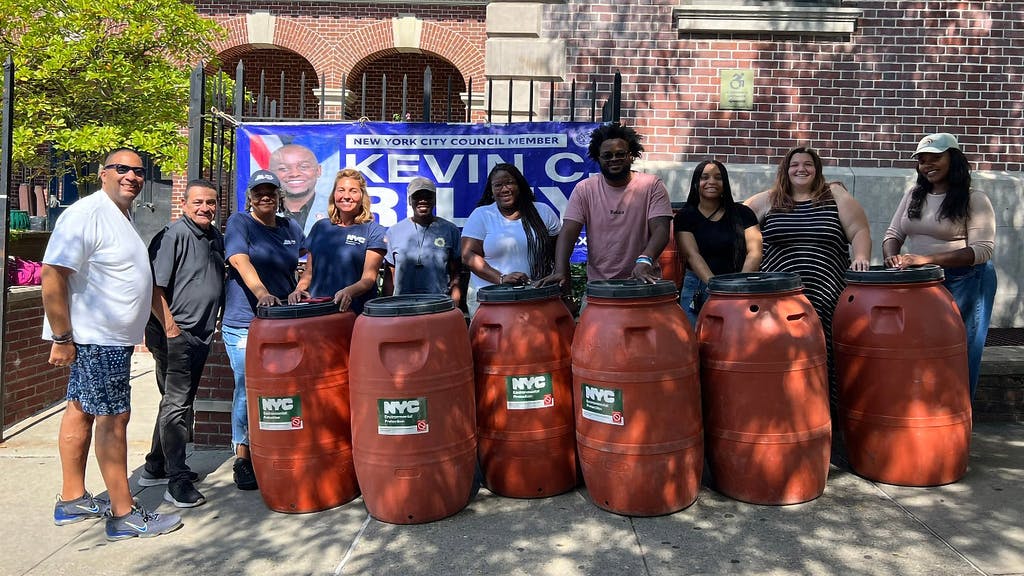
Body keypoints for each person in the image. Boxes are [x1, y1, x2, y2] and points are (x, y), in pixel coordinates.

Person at [43, 148, 182, 539]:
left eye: (139, 172)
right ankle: (124, 514)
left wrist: (165, 322)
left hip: (107, 339)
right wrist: (62, 337)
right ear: (102, 173)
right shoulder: (86, 213)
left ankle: (72, 500)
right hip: (97, 338)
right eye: (122, 169)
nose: (132, 177)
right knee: (113, 418)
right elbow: (53, 273)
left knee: (81, 410)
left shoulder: (118, 215)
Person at [745, 146, 871, 429]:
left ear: (817, 169)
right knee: (784, 351)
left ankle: (828, 418)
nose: (801, 169)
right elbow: (735, 218)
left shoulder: (835, 195)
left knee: (827, 351)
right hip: (780, 298)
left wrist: (862, 256)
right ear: (785, 170)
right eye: (794, 165)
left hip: (827, 291)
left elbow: (859, 230)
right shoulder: (769, 200)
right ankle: (785, 412)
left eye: (808, 164)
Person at [883, 133, 997, 401]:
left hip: (966, 280)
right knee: (923, 349)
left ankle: (957, 416)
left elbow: (981, 251)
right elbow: (892, 234)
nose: (927, 165)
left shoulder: (974, 199)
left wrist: (923, 259)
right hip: (920, 282)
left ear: (953, 159)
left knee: (960, 351)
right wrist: (892, 258)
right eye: (922, 160)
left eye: (935, 158)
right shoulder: (914, 195)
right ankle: (928, 414)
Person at [139, 179, 225, 508]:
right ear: (184, 205)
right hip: (176, 336)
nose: (206, 208)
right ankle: (176, 480)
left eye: (211, 202)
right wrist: (173, 330)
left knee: (175, 404)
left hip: (199, 334)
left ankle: (155, 466)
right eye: (199, 202)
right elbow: (153, 289)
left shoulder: (214, 236)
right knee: (177, 406)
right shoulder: (173, 235)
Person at [223, 170, 305, 490]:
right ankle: (243, 457)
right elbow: (240, 261)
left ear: (279, 195)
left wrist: (302, 286)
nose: (265, 197)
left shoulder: (290, 227)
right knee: (248, 386)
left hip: (283, 324)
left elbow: (307, 260)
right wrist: (262, 294)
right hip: (246, 322)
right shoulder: (240, 223)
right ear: (250, 197)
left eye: (271, 191)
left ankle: (280, 447)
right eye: (259, 192)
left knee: (283, 388)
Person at [538, 123, 673, 289]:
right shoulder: (585, 189)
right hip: (599, 288)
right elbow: (567, 233)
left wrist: (646, 259)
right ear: (598, 158)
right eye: (607, 156)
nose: (614, 159)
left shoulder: (652, 185)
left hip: (643, 285)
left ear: (631, 155)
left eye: (620, 154)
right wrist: (559, 270)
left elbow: (661, 230)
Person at [461, 163, 561, 316]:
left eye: (509, 182)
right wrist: (501, 279)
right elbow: (468, 255)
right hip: (490, 300)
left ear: (519, 185)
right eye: (498, 185)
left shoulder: (543, 212)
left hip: (535, 297)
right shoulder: (482, 215)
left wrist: (565, 293)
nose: (504, 189)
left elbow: (559, 253)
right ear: (492, 191)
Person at [674, 160, 762, 326]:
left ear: (725, 183)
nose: (711, 182)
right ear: (695, 183)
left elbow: (755, 252)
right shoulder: (685, 217)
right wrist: (717, 288)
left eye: (718, 177)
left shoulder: (743, 213)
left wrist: (738, 287)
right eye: (705, 177)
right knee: (696, 342)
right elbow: (692, 255)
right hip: (698, 287)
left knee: (735, 340)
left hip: (739, 285)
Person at [287, 168, 386, 315]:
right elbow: (308, 273)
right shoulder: (320, 227)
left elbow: (368, 279)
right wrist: (298, 290)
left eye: (353, 191)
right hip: (318, 313)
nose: (346, 196)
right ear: (334, 195)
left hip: (355, 314)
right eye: (341, 190)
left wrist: (348, 292)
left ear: (362, 196)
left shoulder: (373, 230)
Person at [382, 177, 462, 302]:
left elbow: (455, 273)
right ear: (409, 200)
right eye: (417, 196)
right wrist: (387, 308)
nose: (423, 200)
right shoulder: (394, 232)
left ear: (435, 200)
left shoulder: (450, 230)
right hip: (403, 306)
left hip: (439, 305)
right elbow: (389, 276)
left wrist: (455, 302)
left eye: (428, 196)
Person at [269, 143, 326, 234]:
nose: (294, 174)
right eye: (283, 168)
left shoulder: (335, 209)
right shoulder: (259, 214)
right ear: (271, 174)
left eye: (304, 167)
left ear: (318, 170)